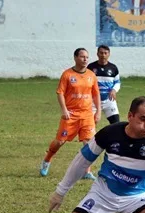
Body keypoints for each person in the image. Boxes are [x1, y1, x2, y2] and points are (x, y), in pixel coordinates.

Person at [40, 48, 101, 179]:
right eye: (82, 57)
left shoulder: (91, 75)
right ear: (75, 58)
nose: (85, 59)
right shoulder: (67, 74)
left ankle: (86, 171)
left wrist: (98, 112)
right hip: (71, 114)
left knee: (89, 143)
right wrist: (64, 110)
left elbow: (96, 95)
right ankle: (47, 160)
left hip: (87, 114)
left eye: (87, 57)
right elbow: (60, 92)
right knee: (60, 142)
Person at [87, 45, 122, 124]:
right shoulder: (91, 67)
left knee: (116, 123)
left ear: (109, 54)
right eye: (101, 53)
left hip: (109, 100)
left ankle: (114, 136)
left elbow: (117, 82)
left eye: (105, 53)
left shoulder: (113, 68)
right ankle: (90, 137)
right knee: (90, 124)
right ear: (97, 54)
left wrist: (114, 90)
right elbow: (86, 82)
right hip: (93, 100)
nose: (103, 55)